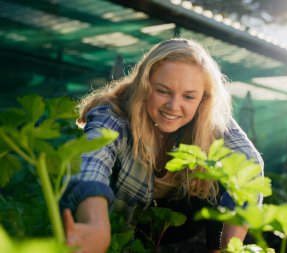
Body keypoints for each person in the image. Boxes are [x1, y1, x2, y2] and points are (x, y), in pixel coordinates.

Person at [60, 38, 264, 253]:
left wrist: (230, 247)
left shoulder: (208, 117)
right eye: (163, 91)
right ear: (144, 85)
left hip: (178, 224)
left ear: (203, 99)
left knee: (229, 169)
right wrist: (95, 225)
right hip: (122, 221)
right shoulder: (112, 114)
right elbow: (92, 161)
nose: (174, 106)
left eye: (188, 96)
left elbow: (249, 165)